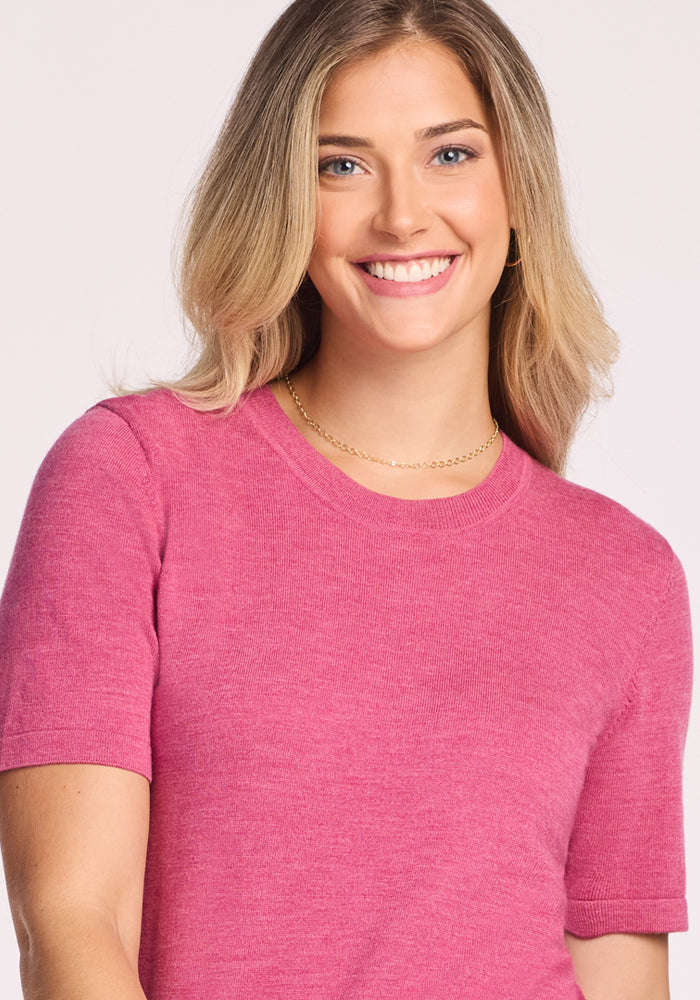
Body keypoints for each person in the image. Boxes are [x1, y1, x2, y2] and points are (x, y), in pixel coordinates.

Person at [0, 0, 692, 997]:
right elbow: (72, 924)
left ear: (517, 187)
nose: (402, 215)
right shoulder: (131, 477)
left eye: (449, 154)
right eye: (342, 165)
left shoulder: (625, 575)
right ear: (282, 194)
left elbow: (619, 973)